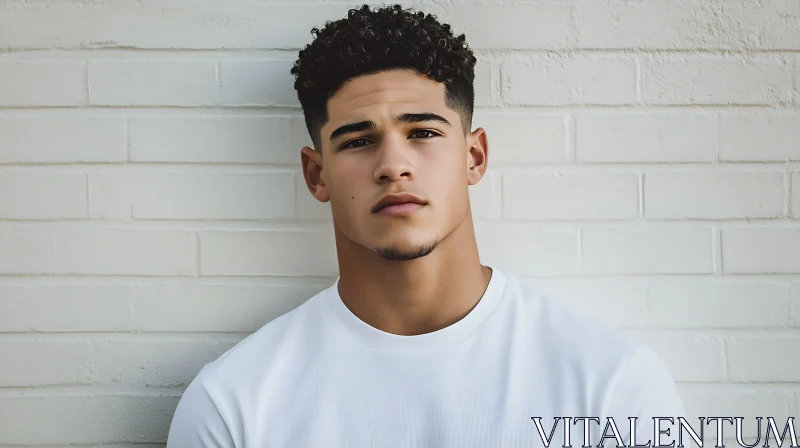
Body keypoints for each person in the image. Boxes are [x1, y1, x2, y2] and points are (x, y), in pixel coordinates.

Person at [166, 4, 685, 447]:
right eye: (357, 140)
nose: (394, 165)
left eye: (423, 132)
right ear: (316, 172)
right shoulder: (234, 407)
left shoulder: (611, 387)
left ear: (474, 156)